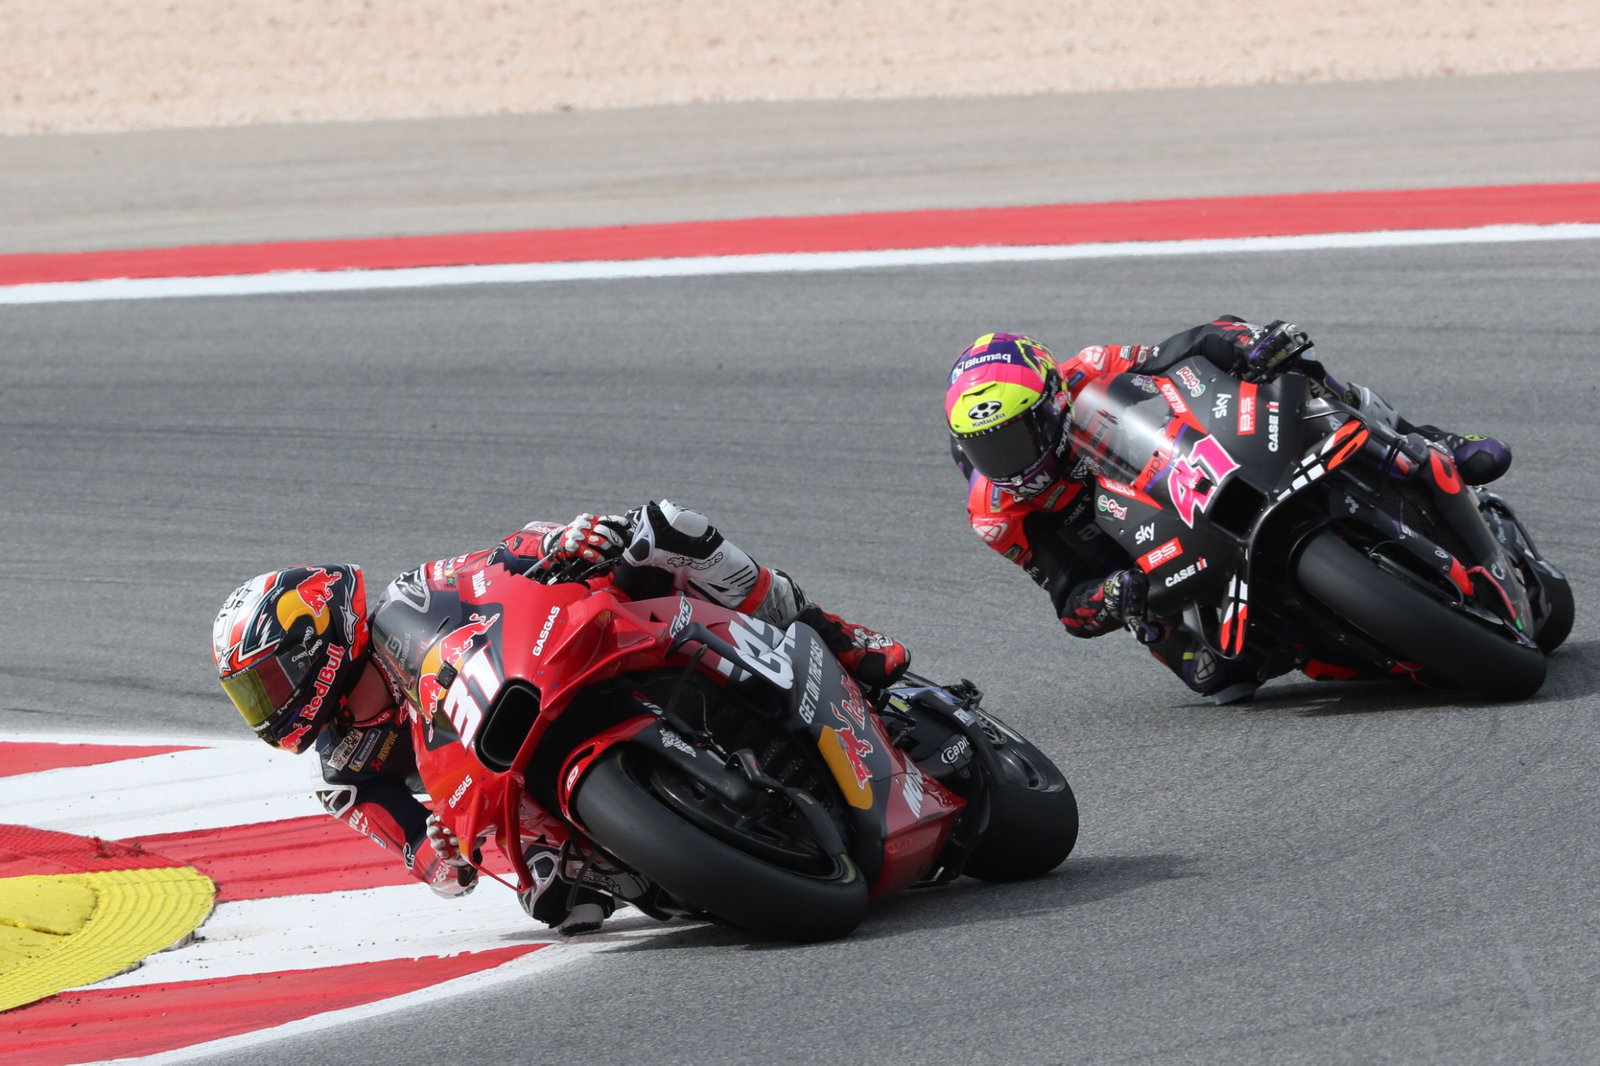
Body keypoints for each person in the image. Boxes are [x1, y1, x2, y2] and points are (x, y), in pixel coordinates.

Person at [210, 500, 908, 935]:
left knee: (662, 528)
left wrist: (560, 543)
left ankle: (835, 633)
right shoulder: (346, 773)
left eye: (268, 683)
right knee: (557, 901)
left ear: (313, 636)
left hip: (554, 657)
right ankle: (671, 864)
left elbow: (491, 564)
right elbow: (426, 859)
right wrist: (440, 855)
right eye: (254, 697)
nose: (269, 706)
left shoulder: (409, 598)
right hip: (513, 786)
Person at [943, 317, 1512, 705]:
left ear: (1051, 402)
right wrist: (1109, 598)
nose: (1004, 460)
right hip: (1148, 556)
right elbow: (1067, 593)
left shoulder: (1090, 367)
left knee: (1294, 373)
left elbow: (1186, 348)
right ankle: (1351, 641)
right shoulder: (997, 512)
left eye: (1014, 437)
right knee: (1217, 680)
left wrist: (1248, 347)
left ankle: (1425, 440)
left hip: (1192, 460)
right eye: (984, 447)